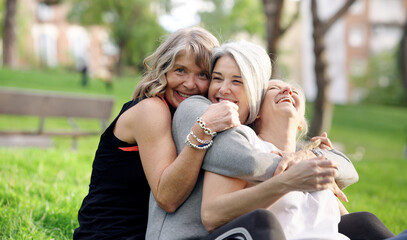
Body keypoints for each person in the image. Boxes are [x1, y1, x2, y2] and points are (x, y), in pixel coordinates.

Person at [147, 41, 358, 239]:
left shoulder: (289, 152)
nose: (223, 89)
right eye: (217, 78)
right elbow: (241, 157)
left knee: (363, 222)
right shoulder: (200, 111)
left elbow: (344, 178)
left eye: (237, 81)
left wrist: (312, 155)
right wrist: (298, 171)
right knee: (262, 221)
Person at [73, 27, 241, 239]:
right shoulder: (152, 110)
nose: (190, 84)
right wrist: (203, 130)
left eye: (202, 74)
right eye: (180, 70)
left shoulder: (187, 113)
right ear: (164, 70)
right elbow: (167, 197)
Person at [201, 79, 350, 239]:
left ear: (301, 121)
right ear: (257, 111)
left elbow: (347, 222)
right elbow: (211, 216)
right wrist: (287, 182)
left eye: (295, 91)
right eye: (273, 88)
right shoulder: (245, 142)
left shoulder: (312, 162)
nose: (287, 89)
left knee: (366, 221)